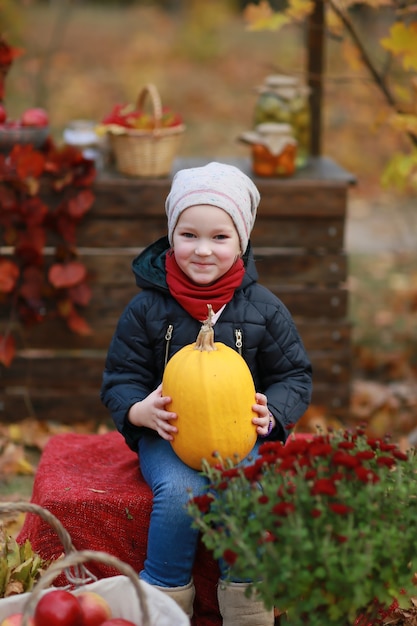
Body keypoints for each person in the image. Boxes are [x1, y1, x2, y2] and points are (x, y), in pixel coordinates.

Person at [100, 161, 312, 626]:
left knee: (248, 492)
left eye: (220, 237)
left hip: (243, 436)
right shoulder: (146, 310)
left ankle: (247, 602)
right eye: (188, 234)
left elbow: (294, 375)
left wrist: (272, 411)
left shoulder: (263, 309)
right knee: (180, 493)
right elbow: (120, 378)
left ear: (242, 242)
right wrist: (139, 411)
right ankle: (165, 601)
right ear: (171, 236)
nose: (202, 250)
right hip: (170, 435)